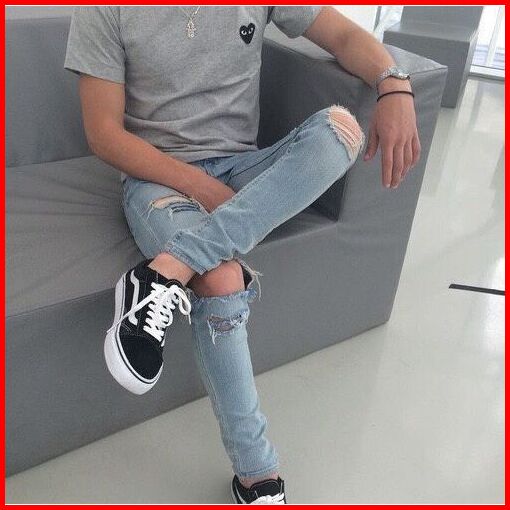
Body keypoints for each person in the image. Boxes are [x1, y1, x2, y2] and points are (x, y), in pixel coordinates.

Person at [64, 5, 420, 504]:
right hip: (157, 180)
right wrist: (200, 186)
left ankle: (164, 271)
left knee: (341, 129)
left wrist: (394, 84)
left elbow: (341, 35)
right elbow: (104, 134)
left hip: (243, 166)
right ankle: (257, 475)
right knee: (221, 278)